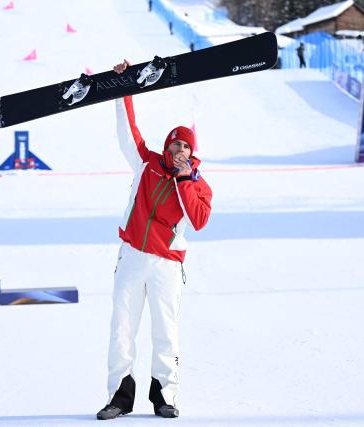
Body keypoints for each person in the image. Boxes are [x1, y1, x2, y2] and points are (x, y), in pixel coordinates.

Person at [96, 59, 212, 420]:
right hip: (132, 255)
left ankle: (165, 395)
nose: (180, 150)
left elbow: (199, 219)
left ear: (191, 153)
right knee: (122, 329)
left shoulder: (197, 185)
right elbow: (127, 130)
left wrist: (183, 180)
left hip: (166, 264)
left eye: (186, 147)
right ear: (167, 146)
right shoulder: (146, 163)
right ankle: (119, 395)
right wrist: (124, 88)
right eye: (175, 145)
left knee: (166, 332)